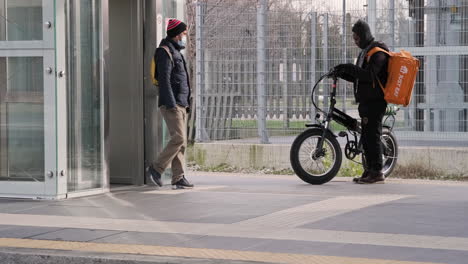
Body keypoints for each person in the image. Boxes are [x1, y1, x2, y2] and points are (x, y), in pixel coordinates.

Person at [334, 19, 389, 184]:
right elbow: (359, 77)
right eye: (354, 38)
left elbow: (369, 75)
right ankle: (369, 170)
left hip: (376, 102)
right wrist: (341, 72)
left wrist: (350, 67)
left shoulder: (379, 52)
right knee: (366, 137)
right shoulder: (365, 52)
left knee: (372, 136)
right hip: (366, 102)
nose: (355, 41)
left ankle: (377, 171)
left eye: (357, 38)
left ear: (365, 35)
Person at [147, 19, 194, 189]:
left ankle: (178, 177)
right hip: (171, 103)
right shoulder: (164, 52)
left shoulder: (176, 52)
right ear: (176, 34)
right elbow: (164, 80)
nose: (184, 36)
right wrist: (171, 103)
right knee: (179, 138)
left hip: (180, 102)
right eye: (182, 33)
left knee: (182, 142)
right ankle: (156, 168)